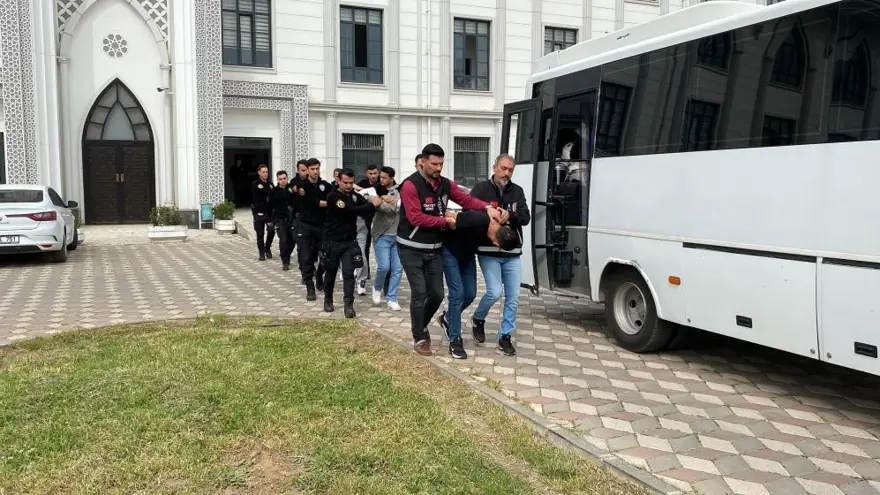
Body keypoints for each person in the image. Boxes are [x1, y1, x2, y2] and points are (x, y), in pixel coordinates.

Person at [397, 143, 504, 356]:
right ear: (422, 162)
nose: (438, 168)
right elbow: (415, 218)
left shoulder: (445, 184)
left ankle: (421, 324)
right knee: (420, 293)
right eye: (434, 164)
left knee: (437, 294)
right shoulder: (410, 185)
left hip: (435, 248)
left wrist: (487, 207)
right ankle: (420, 337)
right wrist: (446, 221)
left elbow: (465, 199)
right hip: (411, 247)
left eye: (441, 164)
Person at [469, 154, 530, 356]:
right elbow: (470, 212)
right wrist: (489, 214)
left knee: (513, 297)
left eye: (510, 170)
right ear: (494, 167)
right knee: (495, 292)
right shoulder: (481, 189)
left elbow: (525, 217)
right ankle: (478, 318)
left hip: (512, 252)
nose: (506, 173)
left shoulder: (517, 191)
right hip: (488, 250)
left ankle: (505, 336)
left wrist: (510, 215)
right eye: (503, 168)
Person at [436, 209, 519, 359]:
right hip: (451, 252)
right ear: (496, 243)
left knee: (470, 294)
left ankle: (447, 318)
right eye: (498, 245)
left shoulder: (497, 223)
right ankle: (455, 340)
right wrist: (453, 222)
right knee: (457, 294)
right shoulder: (477, 218)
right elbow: (450, 216)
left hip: (467, 255)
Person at [322, 169, 383, 317]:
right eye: (345, 182)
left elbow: (365, 207)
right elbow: (350, 211)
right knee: (331, 272)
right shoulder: (333, 196)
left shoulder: (354, 196)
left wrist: (379, 200)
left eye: (351, 182)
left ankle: (348, 305)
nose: (348, 185)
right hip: (333, 241)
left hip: (349, 241)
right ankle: (328, 299)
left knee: (349, 273)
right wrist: (372, 205)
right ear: (338, 181)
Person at [296, 158, 331, 300]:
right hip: (305, 226)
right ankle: (310, 286)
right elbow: (314, 202)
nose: (315, 171)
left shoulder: (325, 185)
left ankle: (319, 274)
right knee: (306, 258)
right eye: (312, 169)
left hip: (322, 226)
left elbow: (336, 193)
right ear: (307, 170)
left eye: (317, 168)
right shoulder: (302, 187)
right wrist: (332, 203)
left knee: (326, 256)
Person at [370, 166, 402, 311]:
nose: (381, 180)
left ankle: (392, 298)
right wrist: (383, 198)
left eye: (384, 177)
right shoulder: (376, 189)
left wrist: (382, 201)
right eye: (380, 177)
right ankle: (377, 288)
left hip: (398, 236)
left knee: (397, 269)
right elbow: (371, 199)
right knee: (384, 266)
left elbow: (394, 208)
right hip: (382, 235)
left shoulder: (399, 190)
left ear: (391, 178)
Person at [355, 164, 383, 295]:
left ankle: (383, 274)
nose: (373, 176)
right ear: (367, 173)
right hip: (365, 219)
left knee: (379, 247)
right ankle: (365, 273)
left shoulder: (382, 183)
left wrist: (365, 191)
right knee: (364, 248)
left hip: (379, 219)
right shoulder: (362, 183)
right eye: (370, 174)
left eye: (375, 173)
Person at [267, 170, 296, 271]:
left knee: (292, 240)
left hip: (291, 219)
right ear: (277, 180)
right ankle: (285, 261)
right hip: (279, 218)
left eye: (284, 178)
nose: (283, 181)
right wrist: (269, 220)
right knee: (283, 240)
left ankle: (286, 254)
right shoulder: (273, 191)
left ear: (287, 178)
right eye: (280, 179)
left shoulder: (292, 189)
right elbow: (269, 206)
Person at [251, 164, 275, 261]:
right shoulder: (256, 183)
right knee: (260, 233)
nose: (266, 174)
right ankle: (261, 252)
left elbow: (273, 194)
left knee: (271, 230)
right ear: (259, 172)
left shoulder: (270, 183)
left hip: (269, 212)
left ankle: (267, 247)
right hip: (259, 212)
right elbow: (265, 191)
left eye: (267, 172)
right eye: (263, 172)